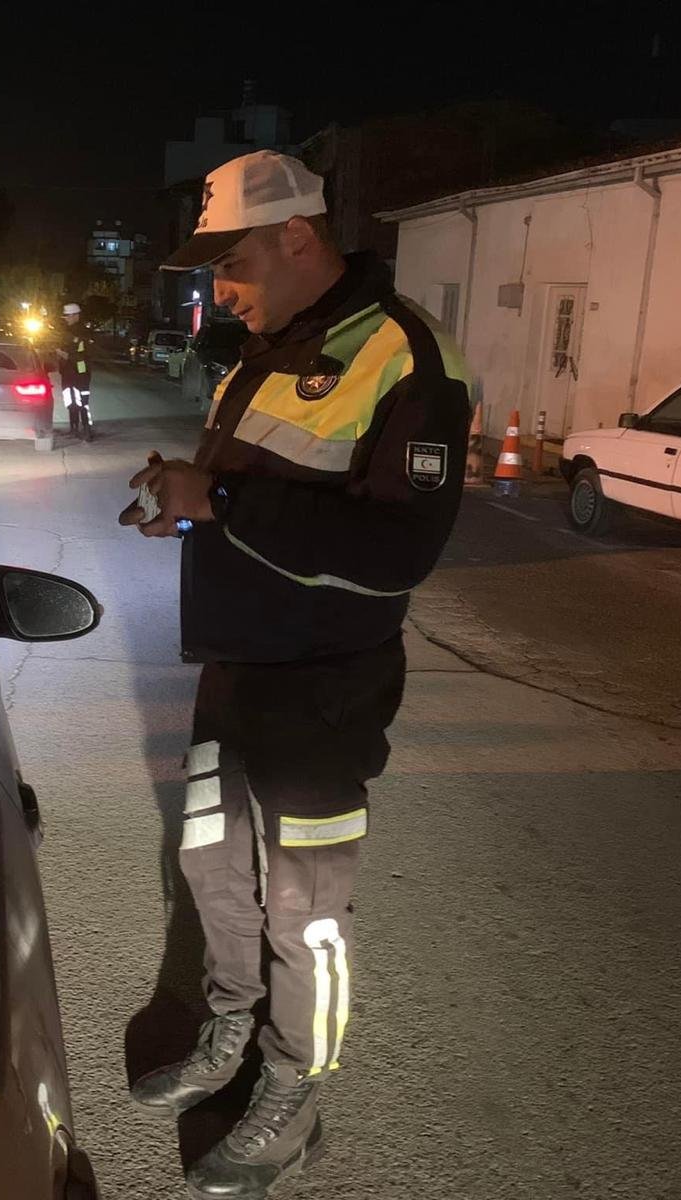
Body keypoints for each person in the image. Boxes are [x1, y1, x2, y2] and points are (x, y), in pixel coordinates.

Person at [121, 148, 472, 1199]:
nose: (220, 289)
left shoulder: (407, 355)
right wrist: (181, 500)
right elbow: (245, 493)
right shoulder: (263, 349)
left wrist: (220, 502)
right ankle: (230, 1033)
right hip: (233, 668)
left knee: (306, 913)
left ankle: (294, 1096)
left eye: (232, 264)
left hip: (325, 686)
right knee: (212, 868)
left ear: (298, 237)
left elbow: (399, 552)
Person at [56, 301, 94, 441]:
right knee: (70, 401)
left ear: (75, 315)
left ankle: (86, 429)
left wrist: (66, 355)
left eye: (68, 316)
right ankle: (74, 428)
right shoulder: (65, 332)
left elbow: (85, 353)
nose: (66, 319)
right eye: (65, 316)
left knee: (82, 402)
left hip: (81, 373)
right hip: (67, 372)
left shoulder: (84, 332)